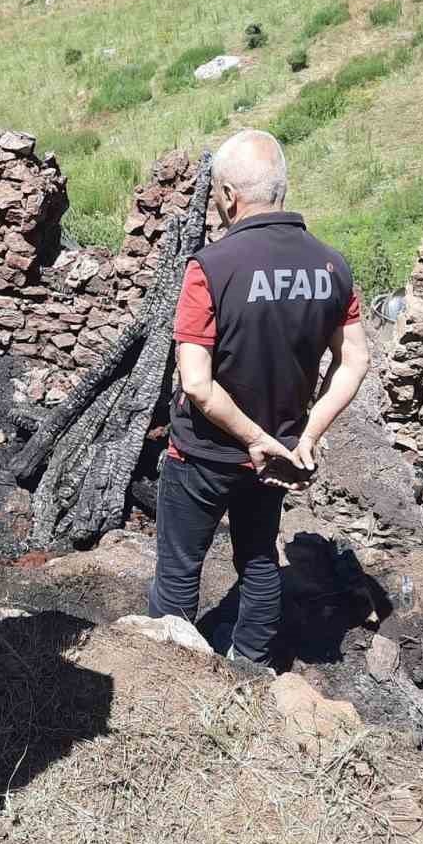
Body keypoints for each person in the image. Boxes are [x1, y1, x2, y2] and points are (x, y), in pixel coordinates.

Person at [148, 128, 369, 675]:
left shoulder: (211, 268)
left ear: (226, 195)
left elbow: (196, 384)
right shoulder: (332, 267)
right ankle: (250, 661)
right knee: (259, 558)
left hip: (203, 454)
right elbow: (355, 360)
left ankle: (171, 674)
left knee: (180, 568)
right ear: (282, 191)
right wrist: (303, 438)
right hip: (278, 459)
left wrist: (250, 438)